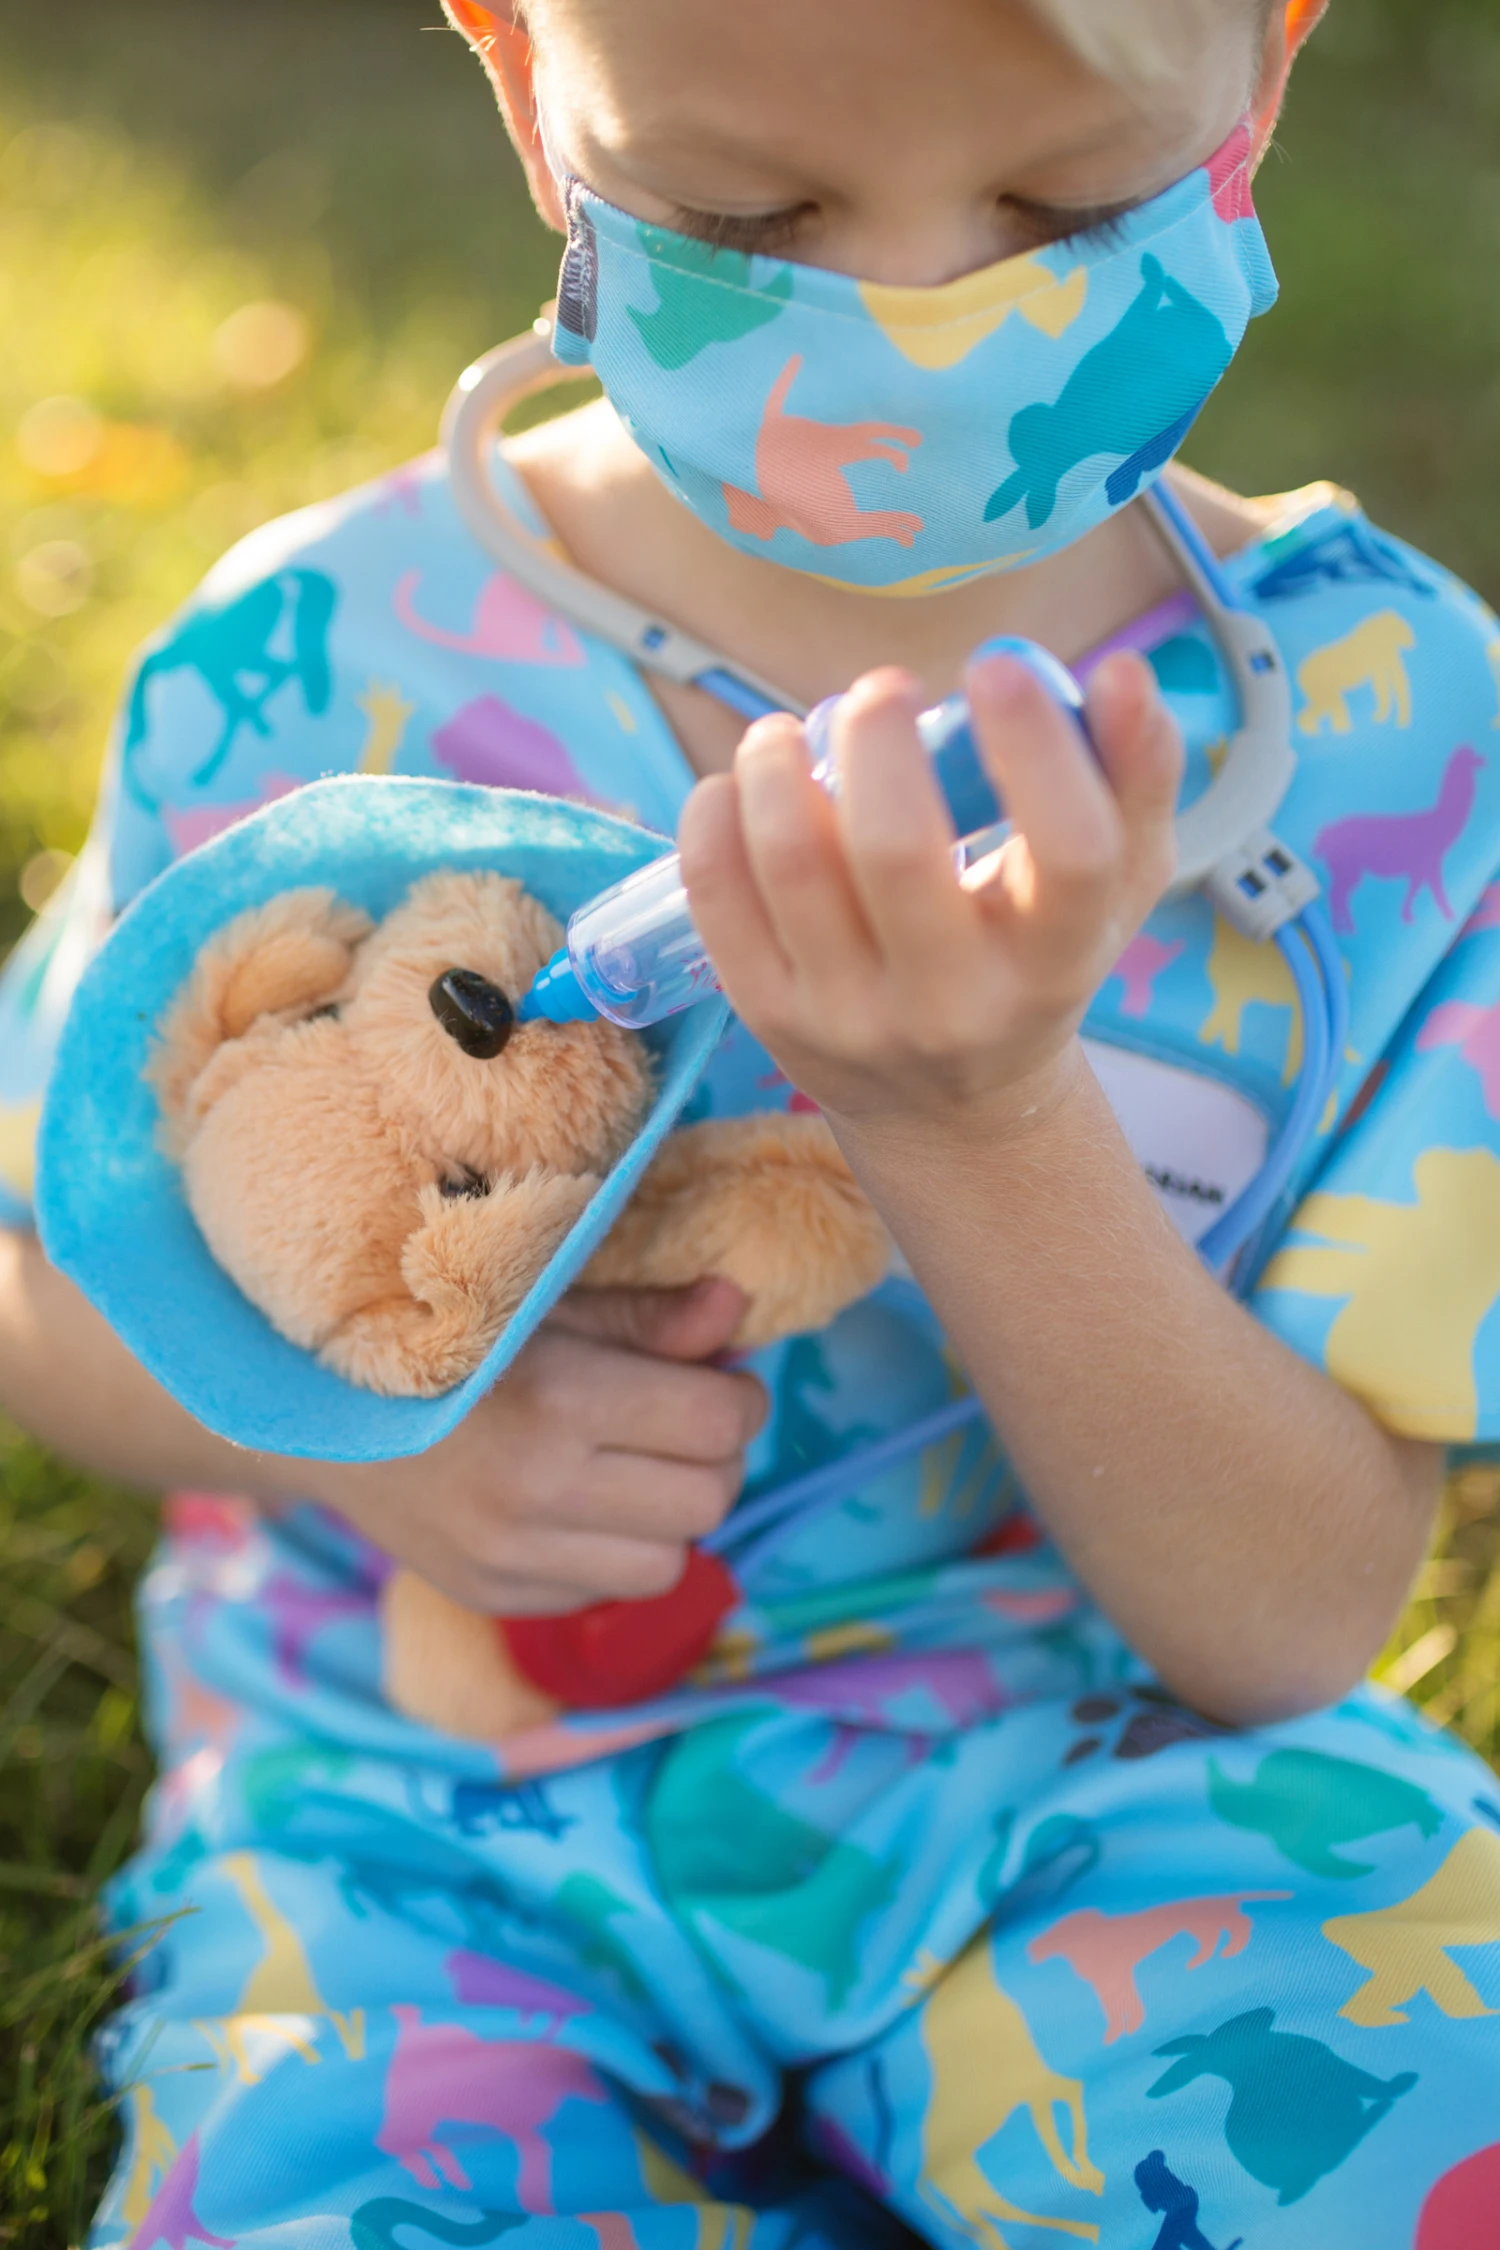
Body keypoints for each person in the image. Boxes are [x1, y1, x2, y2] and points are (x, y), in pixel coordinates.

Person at [2, 0, 1499, 2239]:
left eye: (1066, 206)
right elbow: (42, 1279)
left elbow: (1287, 1619)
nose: (911, 317)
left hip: (1094, 1774)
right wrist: (366, 1440)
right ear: (529, 97)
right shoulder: (311, 668)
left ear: (1261, 83)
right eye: (742, 216)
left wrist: (982, 1124)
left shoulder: (1406, 759)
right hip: (416, 1810)